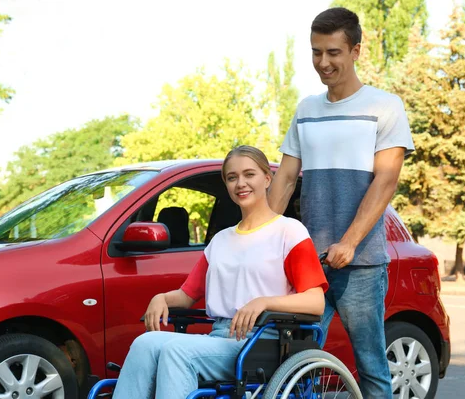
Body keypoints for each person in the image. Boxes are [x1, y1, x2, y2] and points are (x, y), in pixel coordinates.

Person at [268, 7, 415, 399]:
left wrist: (349, 242)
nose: (323, 62)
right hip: (307, 262)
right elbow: (283, 179)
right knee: (291, 364)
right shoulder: (306, 110)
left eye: (333, 52)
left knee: (370, 364)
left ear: (355, 51)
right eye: (316, 52)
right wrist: (259, 234)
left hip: (361, 264)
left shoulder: (384, 107)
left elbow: (385, 181)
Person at [113, 145, 328, 399]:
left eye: (249, 174)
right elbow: (187, 295)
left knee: (176, 351)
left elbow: (316, 302)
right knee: (144, 343)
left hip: (263, 341)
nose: (241, 183)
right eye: (232, 177)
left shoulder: (289, 232)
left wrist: (263, 302)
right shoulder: (221, 241)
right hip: (219, 338)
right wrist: (162, 298)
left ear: (267, 179)